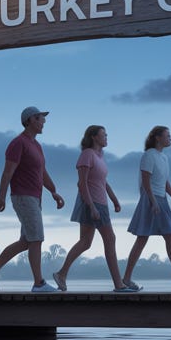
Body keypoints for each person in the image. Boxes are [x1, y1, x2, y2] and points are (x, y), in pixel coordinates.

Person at [0, 106, 66, 292]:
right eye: (40, 118)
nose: (44, 121)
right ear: (30, 120)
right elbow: (7, 172)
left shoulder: (36, 146)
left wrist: (53, 192)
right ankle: (38, 283)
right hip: (23, 197)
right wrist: (1, 197)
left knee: (26, 241)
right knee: (37, 238)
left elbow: (42, 172)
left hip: (35, 198)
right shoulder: (18, 143)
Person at [52, 125, 136, 292]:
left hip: (101, 203)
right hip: (92, 203)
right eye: (103, 135)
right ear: (94, 137)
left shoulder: (100, 155)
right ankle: (119, 284)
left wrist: (114, 199)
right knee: (110, 239)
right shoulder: (87, 155)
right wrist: (92, 207)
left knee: (85, 242)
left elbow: (102, 181)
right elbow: (82, 184)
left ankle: (61, 273)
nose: (106, 137)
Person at [122, 126, 171, 289]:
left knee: (170, 236)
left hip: (162, 199)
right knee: (145, 238)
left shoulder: (163, 157)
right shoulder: (149, 155)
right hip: (151, 199)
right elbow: (145, 181)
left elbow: (165, 182)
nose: (170, 138)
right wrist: (152, 201)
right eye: (167, 135)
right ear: (157, 137)